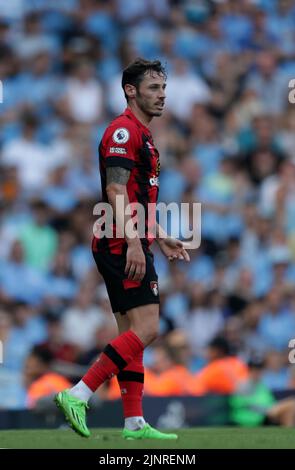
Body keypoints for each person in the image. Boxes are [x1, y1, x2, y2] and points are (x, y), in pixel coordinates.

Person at [55, 58, 191, 440]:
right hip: (120, 241)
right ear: (130, 90)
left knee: (131, 332)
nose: (162, 95)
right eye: (153, 88)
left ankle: (133, 421)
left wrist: (160, 235)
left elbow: (137, 197)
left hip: (128, 239)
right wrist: (134, 241)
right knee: (148, 328)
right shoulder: (122, 131)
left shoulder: (143, 134)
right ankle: (78, 394)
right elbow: (115, 192)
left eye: (164, 88)